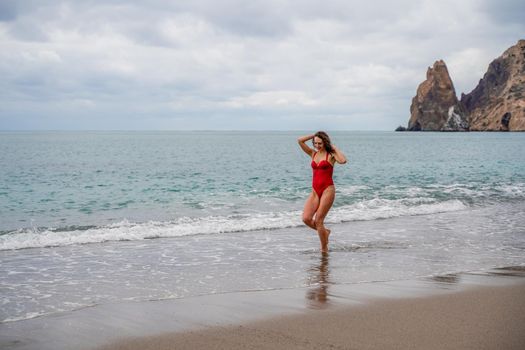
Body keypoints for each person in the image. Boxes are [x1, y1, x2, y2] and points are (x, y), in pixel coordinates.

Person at [298, 131, 347, 253]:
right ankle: (325, 232)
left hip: (327, 190)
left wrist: (335, 148)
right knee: (306, 218)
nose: (317, 145)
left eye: (320, 143)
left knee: (319, 221)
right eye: (315, 143)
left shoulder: (331, 155)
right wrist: (314, 135)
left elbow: (343, 161)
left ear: (325, 142)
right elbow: (300, 140)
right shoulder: (313, 153)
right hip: (315, 192)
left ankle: (324, 249)